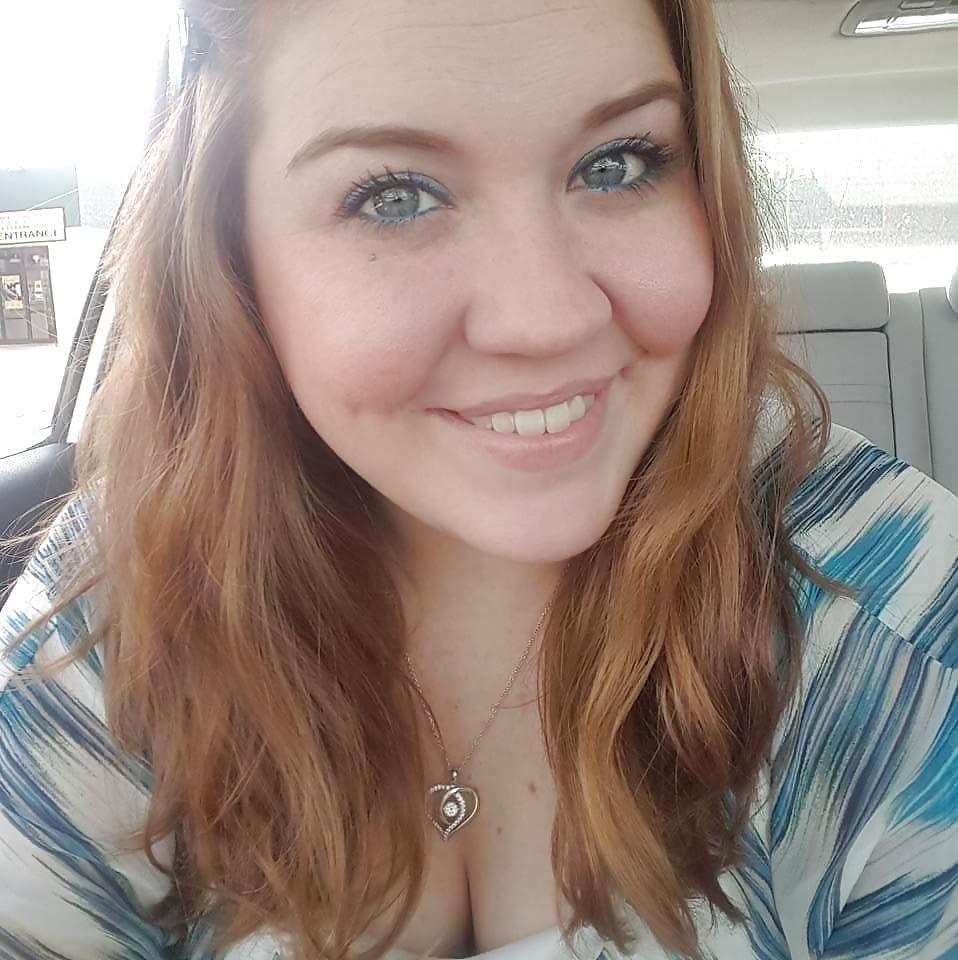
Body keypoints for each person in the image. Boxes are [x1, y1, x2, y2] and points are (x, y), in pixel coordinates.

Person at [0, 0, 955, 958]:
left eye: (616, 164)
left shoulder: (902, 632)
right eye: (395, 196)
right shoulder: (125, 597)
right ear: (231, 250)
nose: (547, 319)